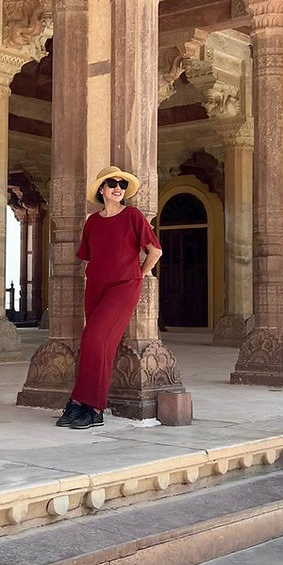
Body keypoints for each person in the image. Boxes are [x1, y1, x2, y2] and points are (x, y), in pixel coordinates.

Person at [57, 165, 163, 430]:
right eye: (113, 183)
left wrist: (139, 274)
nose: (118, 188)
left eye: (122, 184)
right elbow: (88, 258)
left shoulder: (133, 215)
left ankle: (91, 406)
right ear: (102, 189)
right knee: (97, 345)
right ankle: (83, 405)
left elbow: (155, 251)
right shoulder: (92, 222)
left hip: (124, 288)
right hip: (95, 288)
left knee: (94, 337)